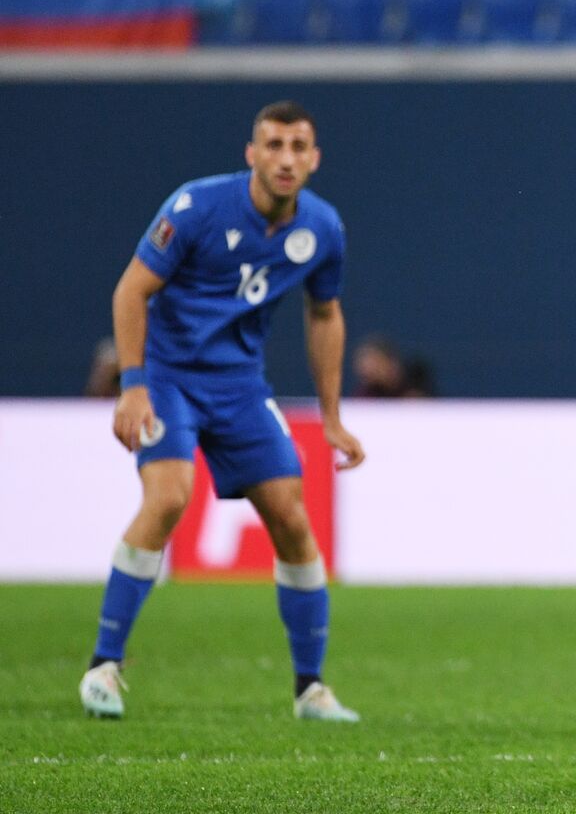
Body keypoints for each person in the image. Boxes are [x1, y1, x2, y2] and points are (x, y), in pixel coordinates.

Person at [80, 101, 365, 723]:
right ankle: (104, 666)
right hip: (168, 377)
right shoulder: (196, 207)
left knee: (292, 515)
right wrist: (133, 386)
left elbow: (325, 314)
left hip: (239, 386)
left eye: (298, 147)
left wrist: (333, 415)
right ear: (252, 154)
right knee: (169, 497)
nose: (285, 158)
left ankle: (310, 688)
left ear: (314, 159)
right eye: (273, 145)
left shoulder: (322, 229)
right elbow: (132, 289)